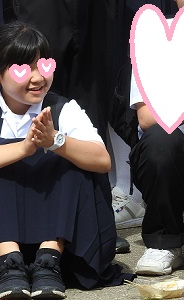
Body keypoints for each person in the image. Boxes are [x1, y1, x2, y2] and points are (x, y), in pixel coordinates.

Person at [0, 21, 134, 299]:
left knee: (69, 154)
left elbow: (102, 160)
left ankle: (48, 259)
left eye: (43, 65)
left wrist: (55, 141)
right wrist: (23, 149)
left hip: (62, 239)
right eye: (23, 68)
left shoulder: (63, 107)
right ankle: (10, 262)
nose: (37, 78)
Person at [129, 0, 184, 276]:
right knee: (161, 140)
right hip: (173, 152)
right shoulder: (156, 39)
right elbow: (147, 118)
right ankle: (165, 240)